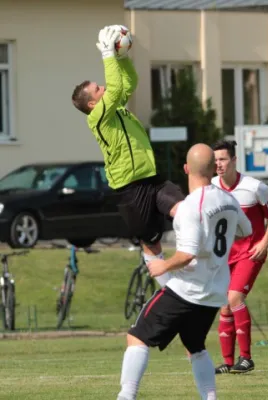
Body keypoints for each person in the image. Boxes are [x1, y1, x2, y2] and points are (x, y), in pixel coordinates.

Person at [116, 143, 252, 400]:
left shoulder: (190, 206)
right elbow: (245, 231)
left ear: (186, 168)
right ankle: (210, 397)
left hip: (186, 291)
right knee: (195, 346)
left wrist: (162, 265)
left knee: (137, 336)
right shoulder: (229, 201)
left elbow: (187, 254)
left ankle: (126, 396)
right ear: (214, 169)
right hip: (213, 294)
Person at [71, 25, 184, 287]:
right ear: (92, 104)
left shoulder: (115, 108)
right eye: (98, 89)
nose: (103, 87)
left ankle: (193, 256)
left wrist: (121, 59)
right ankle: (168, 289)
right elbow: (114, 90)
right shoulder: (98, 117)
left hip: (151, 178)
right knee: (151, 242)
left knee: (185, 210)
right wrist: (108, 56)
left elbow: (128, 82)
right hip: (129, 188)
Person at [212, 140, 268, 374]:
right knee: (224, 306)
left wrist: (265, 242)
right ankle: (228, 362)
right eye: (215, 160)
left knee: (234, 299)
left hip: (251, 252)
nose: (218, 164)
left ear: (233, 161)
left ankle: (247, 358)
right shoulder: (212, 186)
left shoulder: (255, 187)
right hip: (224, 256)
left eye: (222, 159)